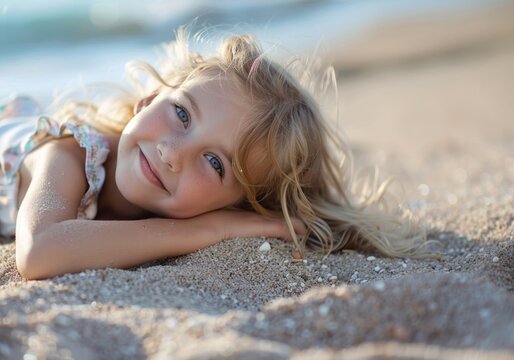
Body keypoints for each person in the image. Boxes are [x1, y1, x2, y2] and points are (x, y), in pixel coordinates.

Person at [1, 28, 438, 280]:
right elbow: (40, 252)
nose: (173, 153)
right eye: (181, 114)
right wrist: (213, 229)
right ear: (149, 98)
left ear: (239, 201)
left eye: (215, 163)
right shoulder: (71, 152)